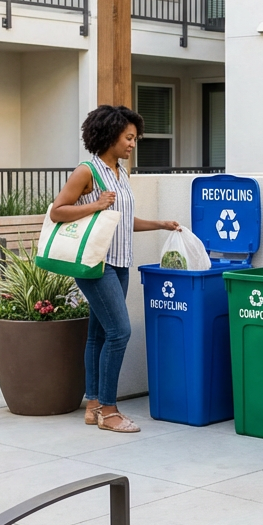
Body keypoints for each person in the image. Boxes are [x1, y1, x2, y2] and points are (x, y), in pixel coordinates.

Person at [50, 105, 180, 434]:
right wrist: (94, 203)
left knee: (100, 334)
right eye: (128, 137)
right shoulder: (87, 172)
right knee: (120, 332)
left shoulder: (120, 172)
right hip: (96, 263)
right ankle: (109, 411)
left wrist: (160, 224)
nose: (133, 143)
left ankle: (93, 404)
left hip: (120, 262)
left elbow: (120, 219)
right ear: (109, 135)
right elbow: (57, 212)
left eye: (135, 138)